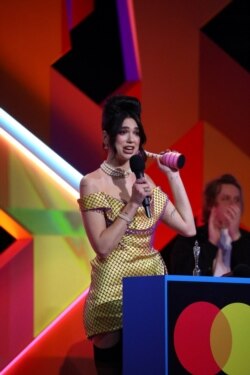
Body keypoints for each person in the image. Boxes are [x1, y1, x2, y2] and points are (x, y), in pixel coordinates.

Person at [77, 94, 196, 374]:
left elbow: (188, 227)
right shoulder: (91, 183)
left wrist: (172, 176)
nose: (131, 140)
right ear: (107, 138)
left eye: (136, 133)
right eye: (123, 132)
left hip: (150, 286)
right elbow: (103, 246)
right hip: (113, 292)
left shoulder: (145, 179)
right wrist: (131, 204)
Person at [165, 174, 250, 277]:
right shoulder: (190, 237)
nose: (233, 205)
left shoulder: (247, 240)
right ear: (211, 204)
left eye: (237, 200)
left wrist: (236, 237)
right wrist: (211, 243)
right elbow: (184, 275)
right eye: (226, 198)